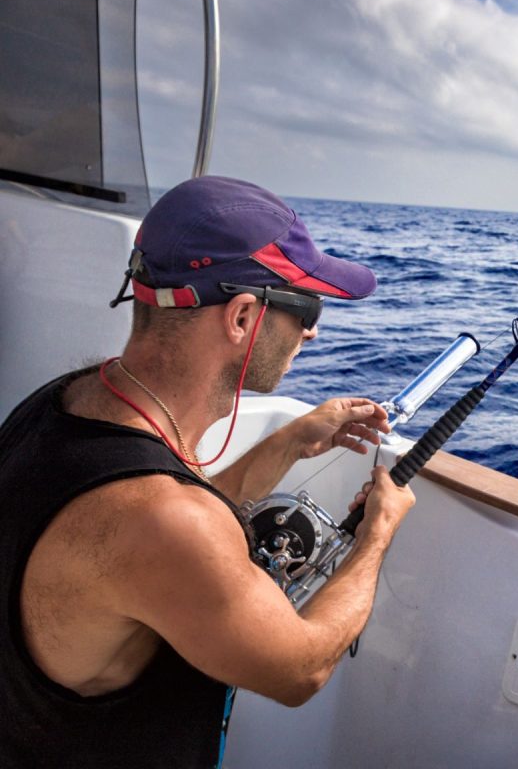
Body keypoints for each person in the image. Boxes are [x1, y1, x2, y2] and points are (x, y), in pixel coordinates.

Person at [0, 176, 414, 767]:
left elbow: (152, 537)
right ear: (243, 316)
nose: (313, 331)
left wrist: (291, 442)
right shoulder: (165, 522)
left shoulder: (63, 401)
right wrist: (376, 536)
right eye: (305, 308)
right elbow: (301, 668)